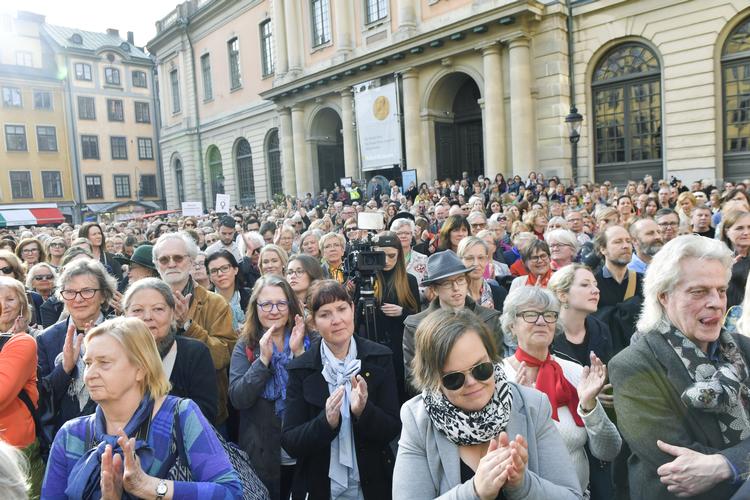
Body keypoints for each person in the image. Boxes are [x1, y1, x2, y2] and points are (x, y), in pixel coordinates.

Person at [609, 235, 750, 500]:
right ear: (664, 296)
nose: (717, 303)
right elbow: (677, 466)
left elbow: (711, 468)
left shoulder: (745, 349)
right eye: (699, 292)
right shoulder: (632, 365)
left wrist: (725, 465)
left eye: (721, 290)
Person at [41, 316, 243, 499]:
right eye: (88, 363)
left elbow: (230, 493)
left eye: (104, 363)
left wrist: (149, 487)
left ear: (140, 369)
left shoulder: (179, 415)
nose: (90, 374)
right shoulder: (71, 434)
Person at [394, 309, 582, 500]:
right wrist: (474, 491)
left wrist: (522, 485)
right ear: (434, 381)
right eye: (454, 379)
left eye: (481, 369)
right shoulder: (418, 419)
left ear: (492, 358)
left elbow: (571, 496)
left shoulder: (532, 405)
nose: (471, 382)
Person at [282, 280, 401, 499]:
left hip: (372, 483)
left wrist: (363, 412)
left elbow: (393, 428)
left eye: (341, 309)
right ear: (314, 323)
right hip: (319, 485)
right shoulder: (302, 367)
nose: (336, 320)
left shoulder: (379, 357)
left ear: (353, 309)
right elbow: (290, 441)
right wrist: (326, 422)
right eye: (325, 314)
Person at [501, 286, 621, 494]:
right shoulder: (497, 377)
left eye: (549, 315)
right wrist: (521, 412)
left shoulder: (574, 372)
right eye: (530, 315)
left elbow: (609, 451)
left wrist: (589, 405)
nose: (541, 321)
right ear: (512, 325)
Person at [229, 275, 309, 499]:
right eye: (266, 304)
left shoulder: (309, 339)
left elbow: (318, 394)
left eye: (281, 303)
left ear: (290, 305)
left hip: (304, 448)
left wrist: (300, 354)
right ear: (256, 307)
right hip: (263, 453)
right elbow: (238, 398)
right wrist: (262, 362)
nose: (274, 310)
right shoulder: (245, 345)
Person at [152, 232, 236, 427]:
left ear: (190, 262)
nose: (171, 263)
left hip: (206, 414)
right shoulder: (144, 302)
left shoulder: (215, 303)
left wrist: (188, 326)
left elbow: (223, 356)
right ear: (157, 264)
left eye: (178, 258)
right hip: (154, 413)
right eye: (164, 259)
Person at [403, 250, 512, 395]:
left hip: (483, 396)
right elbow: (413, 379)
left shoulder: (489, 318)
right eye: (447, 283)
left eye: (460, 280)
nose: (456, 288)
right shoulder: (415, 325)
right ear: (435, 288)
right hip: (438, 403)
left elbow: (497, 367)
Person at [36, 259, 118, 439]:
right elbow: (41, 400)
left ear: (104, 295)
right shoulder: (47, 339)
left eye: (87, 291)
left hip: (115, 433)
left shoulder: (122, 333)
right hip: (64, 439)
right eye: (70, 292)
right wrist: (64, 369)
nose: (78, 299)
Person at [123, 278, 218, 424]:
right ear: (125, 315)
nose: (147, 317)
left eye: (158, 309)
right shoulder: (116, 354)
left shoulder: (194, 353)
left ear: (173, 313)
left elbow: (205, 415)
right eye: (137, 310)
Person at [362, 232, 420, 403]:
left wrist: (402, 313)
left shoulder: (409, 280)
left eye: (392, 255)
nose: (386, 260)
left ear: (400, 255)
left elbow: (417, 318)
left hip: (399, 347)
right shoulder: (367, 280)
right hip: (372, 345)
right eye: (382, 255)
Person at [0, 277, 43, 496]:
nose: (3, 304)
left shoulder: (22, 342)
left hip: (15, 450)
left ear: (22, 306)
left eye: (10, 299)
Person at [549, 264, 614, 365]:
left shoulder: (601, 329)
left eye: (595, 285)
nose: (596, 290)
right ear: (562, 295)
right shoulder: (545, 331)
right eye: (585, 285)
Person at [205, 249, 251, 333]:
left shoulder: (251, 296)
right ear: (209, 277)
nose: (220, 274)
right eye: (214, 271)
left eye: (225, 268)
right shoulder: (204, 303)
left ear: (235, 270)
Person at [457, 236, 507, 311]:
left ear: (487, 260)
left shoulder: (500, 293)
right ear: (459, 260)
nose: (476, 263)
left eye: (481, 258)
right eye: (469, 258)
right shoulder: (454, 296)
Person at [720, 210, 750, 308]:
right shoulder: (716, 257)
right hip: (726, 315)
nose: (746, 232)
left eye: (749, 227)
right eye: (739, 228)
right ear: (727, 231)